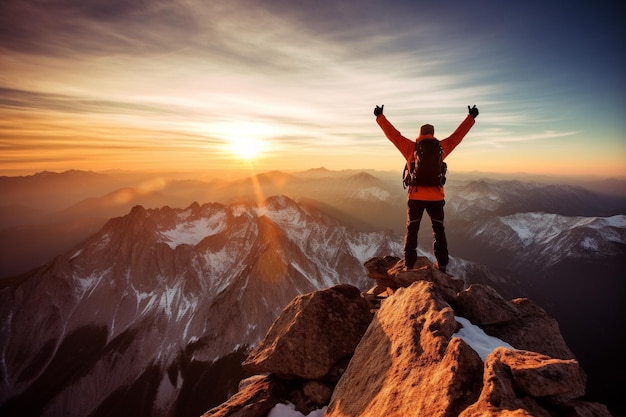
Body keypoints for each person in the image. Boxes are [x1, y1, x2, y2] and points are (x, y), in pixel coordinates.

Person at [374, 104, 479, 273]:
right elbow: (457, 136)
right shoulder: (441, 148)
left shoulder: (410, 148)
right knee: (438, 230)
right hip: (436, 198)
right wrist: (471, 118)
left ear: (420, 134)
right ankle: (442, 264)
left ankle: (408, 265)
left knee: (412, 229)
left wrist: (380, 117)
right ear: (433, 134)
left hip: (415, 197)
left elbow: (393, 135)